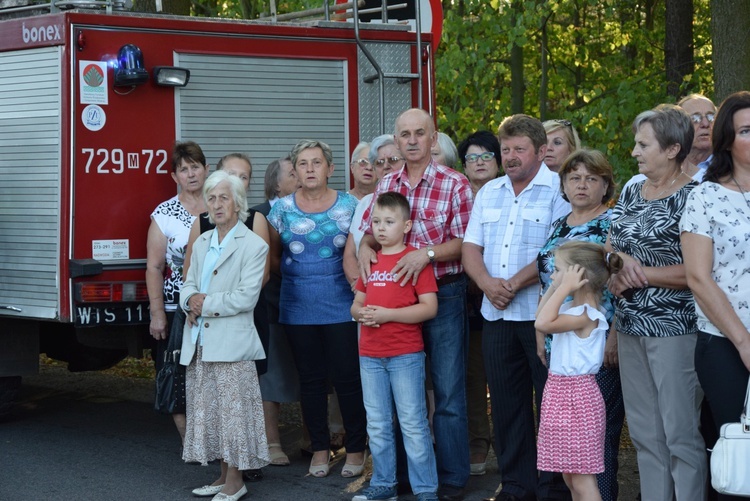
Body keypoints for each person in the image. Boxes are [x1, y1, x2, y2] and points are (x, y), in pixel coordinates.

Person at [358, 108, 474, 501]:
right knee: (401, 398)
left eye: (419, 133)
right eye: (404, 134)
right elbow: (371, 234)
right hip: (393, 298)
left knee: (447, 391)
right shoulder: (387, 181)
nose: (411, 140)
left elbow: (466, 243)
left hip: (443, 290)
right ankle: (401, 478)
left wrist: (424, 254)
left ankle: (453, 477)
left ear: (433, 137)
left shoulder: (455, 183)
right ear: (396, 138)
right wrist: (361, 245)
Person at [462, 114, 570, 501]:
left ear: (541, 151)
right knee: (507, 407)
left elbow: (556, 250)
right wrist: (487, 284)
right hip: (496, 316)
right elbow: (470, 247)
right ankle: (516, 486)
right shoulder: (489, 192)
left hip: (542, 318)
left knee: (551, 408)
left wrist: (513, 283)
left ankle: (552, 488)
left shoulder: (560, 189)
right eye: (505, 149)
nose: (510, 156)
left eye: (519, 149)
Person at [605, 104, 705, 501]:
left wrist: (638, 272)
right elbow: (612, 248)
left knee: (679, 434)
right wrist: (618, 264)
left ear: (672, 149)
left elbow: (699, 272)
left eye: (643, 144)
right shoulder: (631, 188)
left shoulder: (699, 195)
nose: (634, 151)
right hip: (630, 326)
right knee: (646, 435)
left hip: (676, 329)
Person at [267, 139, 367, 479]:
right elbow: (274, 259)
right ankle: (320, 450)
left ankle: (355, 450)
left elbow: (361, 253)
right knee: (310, 382)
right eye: (304, 164)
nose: (310, 169)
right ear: (295, 171)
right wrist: (303, 276)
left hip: (342, 304)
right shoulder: (279, 210)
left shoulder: (350, 205)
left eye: (317, 162)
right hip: (297, 306)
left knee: (347, 380)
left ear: (330, 168)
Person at [536, 149, 623, 501]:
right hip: (561, 385)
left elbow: (544, 317)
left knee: (587, 474)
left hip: (580, 391)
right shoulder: (561, 225)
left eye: (591, 178)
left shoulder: (586, 315)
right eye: (575, 177)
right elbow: (544, 317)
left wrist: (559, 287)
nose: (582, 184)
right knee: (572, 476)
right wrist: (559, 288)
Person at [180, 170, 270, 501]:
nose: (217, 205)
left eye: (224, 198)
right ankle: (221, 477)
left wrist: (205, 304)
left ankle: (236, 482)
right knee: (212, 413)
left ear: (238, 203)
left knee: (235, 416)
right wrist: (189, 300)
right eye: (212, 198)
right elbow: (187, 283)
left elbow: (247, 297)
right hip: (200, 343)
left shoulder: (254, 244)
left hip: (233, 344)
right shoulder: (202, 241)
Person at [680, 90, 750, 501]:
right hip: (725, 344)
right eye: (746, 130)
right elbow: (698, 278)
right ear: (726, 140)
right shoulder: (704, 196)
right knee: (738, 454)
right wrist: (743, 342)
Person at [351, 191, 440, 501]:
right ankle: (384, 484)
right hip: (370, 355)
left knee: (413, 423)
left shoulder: (414, 261)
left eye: (389, 221)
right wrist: (360, 314)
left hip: (405, 354)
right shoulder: (370, 260)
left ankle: (426, 489)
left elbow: (429, 308)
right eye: (376, 221)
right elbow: (357, 303)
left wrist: (388, 315)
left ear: (406, 225)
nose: (380, 227)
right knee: (376, 424)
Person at [146, 140, 208, 443]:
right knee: (176, 374)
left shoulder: (220, 205)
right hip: (175, 308)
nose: (191, 174)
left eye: (195, 167)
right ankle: (191, 443)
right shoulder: (165, 213)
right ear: (175, 177)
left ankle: (214, 440)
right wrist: (157, 313)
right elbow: (155, 267)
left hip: (216, 307)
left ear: (206, 170)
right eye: (184, 169)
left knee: (209, 374)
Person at [456, 130, 502, 477]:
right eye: (472, 157)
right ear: (464, 165)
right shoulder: (458, 196)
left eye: (487, 155)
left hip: (505, 296)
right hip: (465, 301)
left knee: (504, 377)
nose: (480, 162)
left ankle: (509, 444)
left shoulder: (509, 194)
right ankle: (477, 444)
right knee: (473, 376)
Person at [253, 157, 301, 468]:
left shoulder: (306, 207)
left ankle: (314, 439)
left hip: (305, 302)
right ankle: (271, 441)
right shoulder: (261, 213)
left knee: (311, 371)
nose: (300, 176)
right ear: (276, 183)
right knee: (271, 376)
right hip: (272, 302)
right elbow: (268, 261)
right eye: (293, 173)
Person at [678, 93, 717, 170]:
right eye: (695, 118)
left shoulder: (731, 167)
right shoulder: (667, 169)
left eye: (711, 117)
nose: (705, 124)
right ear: (679, 127)